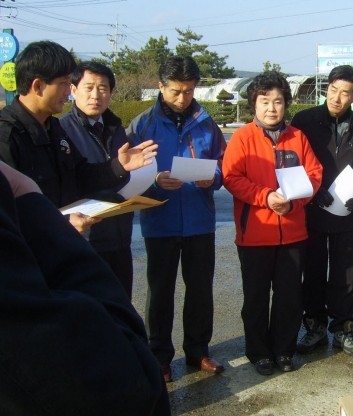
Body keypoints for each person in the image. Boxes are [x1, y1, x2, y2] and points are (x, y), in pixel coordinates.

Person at [0, 161, 171, 416]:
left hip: (110, 234)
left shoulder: (61, 132)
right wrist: (39, 212)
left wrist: (117, 166)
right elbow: (130, 405)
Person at [127, 55, 227, 382]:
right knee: (160, 291)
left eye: (188, 91)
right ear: (160, 86)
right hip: (160, 220)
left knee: (200, 290)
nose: (182, 98)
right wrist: (155, 181)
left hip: (200, 220)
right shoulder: (143, 124)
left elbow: (223, 165)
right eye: (175, 91)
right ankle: (160, 355)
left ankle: (198, 351)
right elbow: (127, 172)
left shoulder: (206, 122)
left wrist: (211, 177)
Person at [0, 41, 158, 233]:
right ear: (38, 85)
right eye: (64, 84)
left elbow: (80, 177)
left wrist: (119, 166)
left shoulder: (54, 128)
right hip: (29, 255)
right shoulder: (6, 136)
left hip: (59, 247)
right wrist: (60, 222)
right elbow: (9, 216)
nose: (69, 93)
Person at [222, 71, 322, 375]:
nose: (271, 108)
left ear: (286, 105)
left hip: (293, 232)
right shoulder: (242, 137)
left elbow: (314, 174)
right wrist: (265, 197)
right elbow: (231, 177)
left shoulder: (297, 138)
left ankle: (284, 349)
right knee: (255, 297)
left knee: (290, 296)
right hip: (254, 233)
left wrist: (294, 201)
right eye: (264, 101)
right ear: (254, 104)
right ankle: (258, 351)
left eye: (278, 101)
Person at [291, 65, 353, 356]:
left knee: (344, 271)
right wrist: (312, 192)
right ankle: (314, 326)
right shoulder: (304, 121)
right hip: (312, 211)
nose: (336, 98)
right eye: (332, 90)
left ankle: (343, 328)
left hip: (346, 215)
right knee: (312, 270)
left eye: (345, 93)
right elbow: (292, 163)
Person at [59, 62, 135, 298]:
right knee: (89, 312)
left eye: (103, 89)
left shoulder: (117, 128)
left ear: (111, 93)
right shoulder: (61, 131)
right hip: (85, 240)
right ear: (73, 89)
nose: (95, 95)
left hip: (120, 237)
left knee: (122, 308)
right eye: (89, 87)